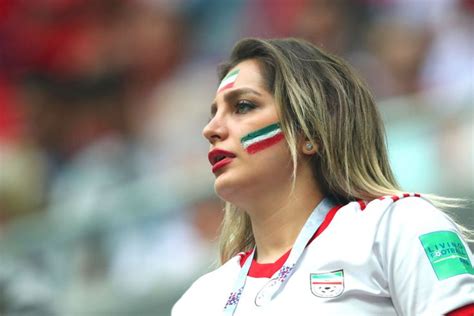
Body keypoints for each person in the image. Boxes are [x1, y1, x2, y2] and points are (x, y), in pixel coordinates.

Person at [172, 38, 474, 315]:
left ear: (309, 133)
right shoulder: (200, 301)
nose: (211, 129)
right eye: (213, 113)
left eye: (243, 106)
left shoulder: (396, 227)